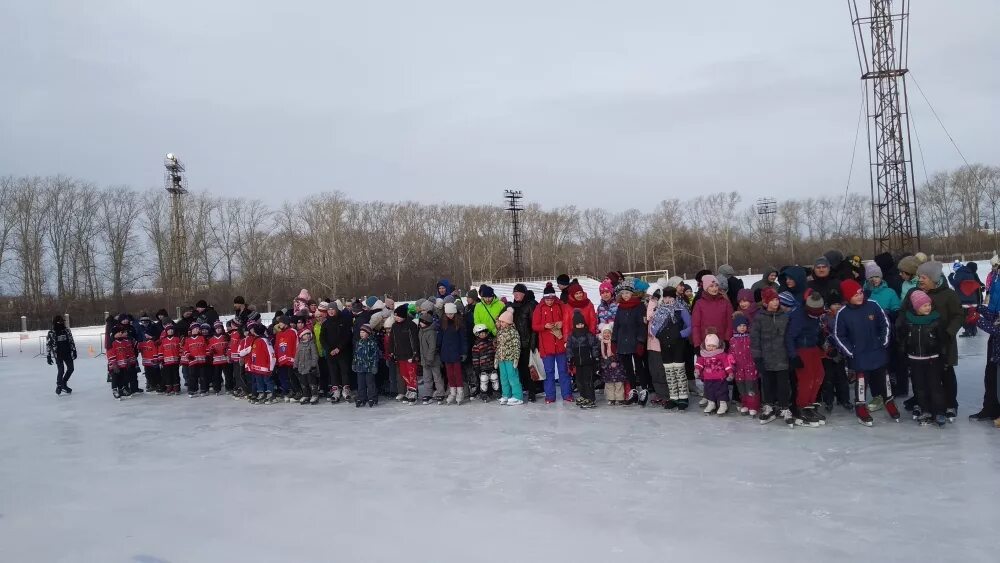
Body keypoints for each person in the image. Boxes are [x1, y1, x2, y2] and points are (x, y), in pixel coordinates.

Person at [900, 261, 964, 421]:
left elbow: (959, 315)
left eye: (924, 277)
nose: (920, 280)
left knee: (946, 372)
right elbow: (903, 312)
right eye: (919, 276)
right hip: (919, 342)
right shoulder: (914, 293)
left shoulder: (948, 294)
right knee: (920, 376)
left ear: (934, 279)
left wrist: (949, 332)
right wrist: (904, 332)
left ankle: (950, 404)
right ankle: (922, 403)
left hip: (943, 341)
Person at [833, 279, 897, 426]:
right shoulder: (843, 313)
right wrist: (850, 351)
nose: (860, 296)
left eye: (860, 293)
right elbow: (839, 335)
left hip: (877, 351)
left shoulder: (873, 305)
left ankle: (889, 401)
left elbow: (885, 324)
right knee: (862, 380)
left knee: (884, 377)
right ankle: (860, 406)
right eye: (855, 295)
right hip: (859, 354)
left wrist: (884, 341)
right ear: (848, 297)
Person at [897, 290, 949, 426]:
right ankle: (925, 410)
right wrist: (904, 353)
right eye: (924, 305)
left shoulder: (936, 321)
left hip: (932, 359)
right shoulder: (908, 321)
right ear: (915, 306)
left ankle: (939, 412)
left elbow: (943, 341)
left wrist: (944, 357)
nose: (928, 307)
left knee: (935, 386)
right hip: (914, 359)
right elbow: (903, 340)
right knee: (919, 387)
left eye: (929, 305)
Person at [751, 288, 793, 426]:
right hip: (766, 357)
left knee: (783, 385)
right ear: (765, 302)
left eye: (776, 299)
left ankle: (784, 407)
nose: (775, 302)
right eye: (772, 300)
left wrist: (792, 355)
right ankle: (768, 405)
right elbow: (755, 339)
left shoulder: (785, 316)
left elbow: (789, 337)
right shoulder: (759, 317)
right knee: (767, 384)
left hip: (782, 357)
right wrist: (757, 357)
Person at [785, 290, 827, 427]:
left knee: (819, 375)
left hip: (813, 347)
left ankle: (810, 404)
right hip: (801, 350)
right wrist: (794, 356)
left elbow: (817, 331)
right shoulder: (798, 316)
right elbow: (790, 337)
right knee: (806, 379)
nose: (816, 315)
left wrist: (822, 344)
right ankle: (801, 407)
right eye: (814, 313)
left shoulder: (817, 314)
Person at [648, 286, 691, 410]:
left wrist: (680, 334)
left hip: (678, 343)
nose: (668, 299)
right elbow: (653, 327)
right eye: (665, 297)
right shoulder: (660, 310)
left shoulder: (680, 309)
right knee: (669, 370)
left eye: (670, 297)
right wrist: (658, 335)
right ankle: (673, 397)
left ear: (675, 297)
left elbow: (690, 325)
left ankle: (683, 397)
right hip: (665, 344)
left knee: (679, 370)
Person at [533, 283, 572, 403]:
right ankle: (550, 396)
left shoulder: (561, 306)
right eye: (547, 299)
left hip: (560, 345)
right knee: (549, 372)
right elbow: (534, 326)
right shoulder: (539, 308)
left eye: (551, 299)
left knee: (563, 371)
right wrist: (544, 326)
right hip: (546, 346)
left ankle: (567, 394)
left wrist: (562, 323)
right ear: (544, 298)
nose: (549, 301)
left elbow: (568, 320)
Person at [612, 280, 648, 406]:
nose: (625, 295)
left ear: (632, 294)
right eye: (623, 293)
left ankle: (644, 389)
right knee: (628, 369)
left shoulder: (639, 306)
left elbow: (642, 326)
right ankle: (633, 391)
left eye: (628, 293)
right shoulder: (620, 307)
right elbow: (616, 325)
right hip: (623, 342)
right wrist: (614, 340)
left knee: (639, 366)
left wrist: (640, 341)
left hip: (635, 342)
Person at [819, 291, 851, 412]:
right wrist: (829, 350)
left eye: (839, 303)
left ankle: (844, 399)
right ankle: (828, 400)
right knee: (828, 378)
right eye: (834, 304)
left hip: (841, 353)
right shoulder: (824, 318)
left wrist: (843, 350)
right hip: (827, 355)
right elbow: (822, 336)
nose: (837, 306)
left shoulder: (844, 317)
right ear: (828, 305)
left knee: (842, 377)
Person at [565, 310, 600, 409]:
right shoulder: (572, 336)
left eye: (581, 324)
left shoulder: (588, 334)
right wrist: (570, 358)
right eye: (578, 324)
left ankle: (591, 398)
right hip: (577, 361)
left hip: (587, 361)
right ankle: (584, 396)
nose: (580, 326)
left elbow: (594, 346)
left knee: (587, 380)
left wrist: (595, 357)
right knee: (579, 380)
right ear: (574, 325)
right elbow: (569, 348)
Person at [510, 283, 539, 401]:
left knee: (529, 368)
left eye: (519, 293)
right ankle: (523, 389)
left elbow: (534, 326)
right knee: (520, 368)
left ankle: (532, 391)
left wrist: (533, 342)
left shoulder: (530, 305)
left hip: (527, 342)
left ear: (524, 294)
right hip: (516, 342)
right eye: (514, 293)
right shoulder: (512, 306)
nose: (516, 295)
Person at [389, 304, 420, 404]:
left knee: (411, 374)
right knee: (404, 374)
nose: (396, 317)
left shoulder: (411, 325)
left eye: (397, 316)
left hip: (410, 355)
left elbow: (415, 340)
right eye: (395, 316)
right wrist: (392, 352)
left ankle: (413, 392)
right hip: (400, 355)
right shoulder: (394, 326)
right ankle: (409, 390)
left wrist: (415, 353)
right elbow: (392, 340)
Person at [695, 334, 734, 415]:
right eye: (709, 345)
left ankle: (723, 404)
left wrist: (730, 373)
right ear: (706, 345)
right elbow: (699, 364)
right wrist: (697, 370)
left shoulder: (721, 354)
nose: (711, 348)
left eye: (713, 346)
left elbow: (727, 365)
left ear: (717, 345)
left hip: (720, 378)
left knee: (721, 391)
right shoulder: (703, 355)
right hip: (708, 378)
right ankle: (711, 403)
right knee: (709, 391)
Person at [729, 313, 759, 416]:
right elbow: (731, 355)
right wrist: (731, 367)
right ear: (735, 327)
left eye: (744, 325)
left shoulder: (750, 339)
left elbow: (755, 352)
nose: (742, 328)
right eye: (740, 326)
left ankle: (753, 406)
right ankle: (745, 404)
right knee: (741, 388)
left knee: (751, 388)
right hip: (738, 369)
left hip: (750, 367)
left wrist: (756, 364)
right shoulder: (732, 340)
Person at [438, 302, 468, 405]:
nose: (449, 315)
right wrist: (439, 348)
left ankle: (460, 392)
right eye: (448, 314)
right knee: (449, 374)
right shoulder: (443, 322)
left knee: (457, 373)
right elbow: (440, 337)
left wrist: (464, 352)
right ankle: (452, 392)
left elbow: (463, 339)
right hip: (446, 352)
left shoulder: (459, 323)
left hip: (456, 352)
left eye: (451, 314)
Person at [494, 308, 524, 406]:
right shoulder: (500, 332)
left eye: (503, 322)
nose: (501, 323)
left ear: (508, 322)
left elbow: (516, 346)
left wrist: (516, 358)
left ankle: (518, 396)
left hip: (510, 358)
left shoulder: (513, 332)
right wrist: (496, 358)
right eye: (500, 321)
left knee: (513, 377)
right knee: (504, 377)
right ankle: (506, 394)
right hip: (501, 359)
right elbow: (498, 346)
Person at [242, 323, 276, 404]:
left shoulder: (265, 340)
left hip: (265, 366)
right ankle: (262, 394)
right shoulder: (255, 340)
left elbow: (271, 354)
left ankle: (270, 395)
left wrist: (271, 367)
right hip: (256, 367)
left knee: (267, 381)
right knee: (259, 381)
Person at [949, 261, 983, 337]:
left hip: (963, 299)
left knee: (963, 315)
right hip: (972, 298)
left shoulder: (960, 273)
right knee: (971, 314)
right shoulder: (971, 274)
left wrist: (950, 277)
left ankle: (968, 331)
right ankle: (973, 330)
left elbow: (955, 284)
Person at [417, 312, 445, 404]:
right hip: (425, 360)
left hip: (433, 360)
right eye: (420, 321)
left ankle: (441, 393)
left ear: (427, 323)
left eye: (422, 322)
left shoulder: (431, 332)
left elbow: (432, 347)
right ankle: (428, 394)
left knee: (437, 377)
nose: (420, 323)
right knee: (427, 378)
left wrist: (429, 359)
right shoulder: (421, 331)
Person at [352, 324, 382, 408]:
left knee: (370, 383)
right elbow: (356, 354)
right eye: (360, 332)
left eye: (363, 332)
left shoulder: (372, 343)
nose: (361, 334)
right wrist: (354, 363)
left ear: (368, 333)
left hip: (369, 367)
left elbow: (375, 356)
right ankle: (361, 397)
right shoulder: (359, 342)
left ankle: (372, 397)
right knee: (361, 383)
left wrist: (374, 366)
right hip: (360, 367)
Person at [46, 315, 77, 395]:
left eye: (63, 321)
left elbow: (71, 341)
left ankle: (63, 383)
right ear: (56, 323)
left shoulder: (67, 330)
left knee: (71, 368)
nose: (62, 323)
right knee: (61, 370)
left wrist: (74, 350)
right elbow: (48, 344)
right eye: (60, 322)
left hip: (67, 353)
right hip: (58, 354)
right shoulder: (51, 332)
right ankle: (59, 385)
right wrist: (48, 356)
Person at [107, 324, 137, 400]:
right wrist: (114, 364)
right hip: (115, 365)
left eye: (121, 332)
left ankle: (121, 389)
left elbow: (126, 352)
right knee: (115, 377)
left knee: (122, 376)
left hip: (123, 364)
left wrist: (128, 360)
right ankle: (114, 389)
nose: (121, 333)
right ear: (114, 334)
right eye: (119, 332)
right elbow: (110, 354)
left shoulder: (123, 342)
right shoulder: (112, 343)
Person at [599, 323, 627, 405]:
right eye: (605, 333)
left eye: (608, 333)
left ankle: (620, 398)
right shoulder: (601, 343)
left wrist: (616, 361)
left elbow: (619, 353)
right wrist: (602, 364)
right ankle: (611, 399)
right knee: (609, 384)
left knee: (619, 384)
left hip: (617, 367)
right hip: (607, 368)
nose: (606, 335)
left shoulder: (615, 343)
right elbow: (600, 355)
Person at [272, 317, 298, 401]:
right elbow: (276, 347)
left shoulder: (293, 331)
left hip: (291, 359)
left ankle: (295, 391)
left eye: (281, 322)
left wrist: (296, 358)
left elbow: (296, 345)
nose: (279, 324)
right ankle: (286, 391)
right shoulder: (279, 334)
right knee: (283, 376)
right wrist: (276, 358)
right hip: (281, 360)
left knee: (292, 376)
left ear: (286, 323)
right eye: (279, 323)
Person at [471, 324, 498, 402]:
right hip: (482, 366)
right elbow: (475, 358)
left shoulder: (490, 342)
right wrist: (476, 367)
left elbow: (494, 351)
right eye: (481, 333)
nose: (483, 335)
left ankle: (496, 392)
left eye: (484, 333)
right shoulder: (476, 345)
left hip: (491, 365)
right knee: (484, 379)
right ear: (477, 334)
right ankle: (484, 394)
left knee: (494, 377)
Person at [294, 323, 320, 404]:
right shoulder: (300, 346)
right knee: (303, 382)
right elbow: (297, 356)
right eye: (305, 334)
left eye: (309, 334)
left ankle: (314, 395)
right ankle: (306, 395)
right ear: (301, 336)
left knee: (311, 382)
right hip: (301, 368)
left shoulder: (312, 344)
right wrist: (295, 366)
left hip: (310, 368)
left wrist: (313, 365)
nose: (308, 336)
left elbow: (315, 356)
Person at [159, 323, 182, 395]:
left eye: (172, 330)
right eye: (169, 330)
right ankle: (169, 387)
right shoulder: (163, 340)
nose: (171, 331)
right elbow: (160, 350)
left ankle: (176, 387)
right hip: (166, 361)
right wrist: (161, 359)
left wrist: (180, 357)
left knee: (175, 374)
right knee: (168, 375)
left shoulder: (177, 339)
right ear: (166, 331)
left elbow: (180, 349)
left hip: (175, 361)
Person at [207, 321, 229, 395]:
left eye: (220, 328)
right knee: (216, 375)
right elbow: (209, 348)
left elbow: (229, 346)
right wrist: (211, 351)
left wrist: (227, 351)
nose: (218, 330)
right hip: (216, 361)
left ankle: (229, 388)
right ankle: (217, 389)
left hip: (225, 359)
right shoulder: (212, 339)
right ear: (215, 329)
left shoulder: (226, 336)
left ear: (222, 328)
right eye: (217, 328)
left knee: (227, 375)